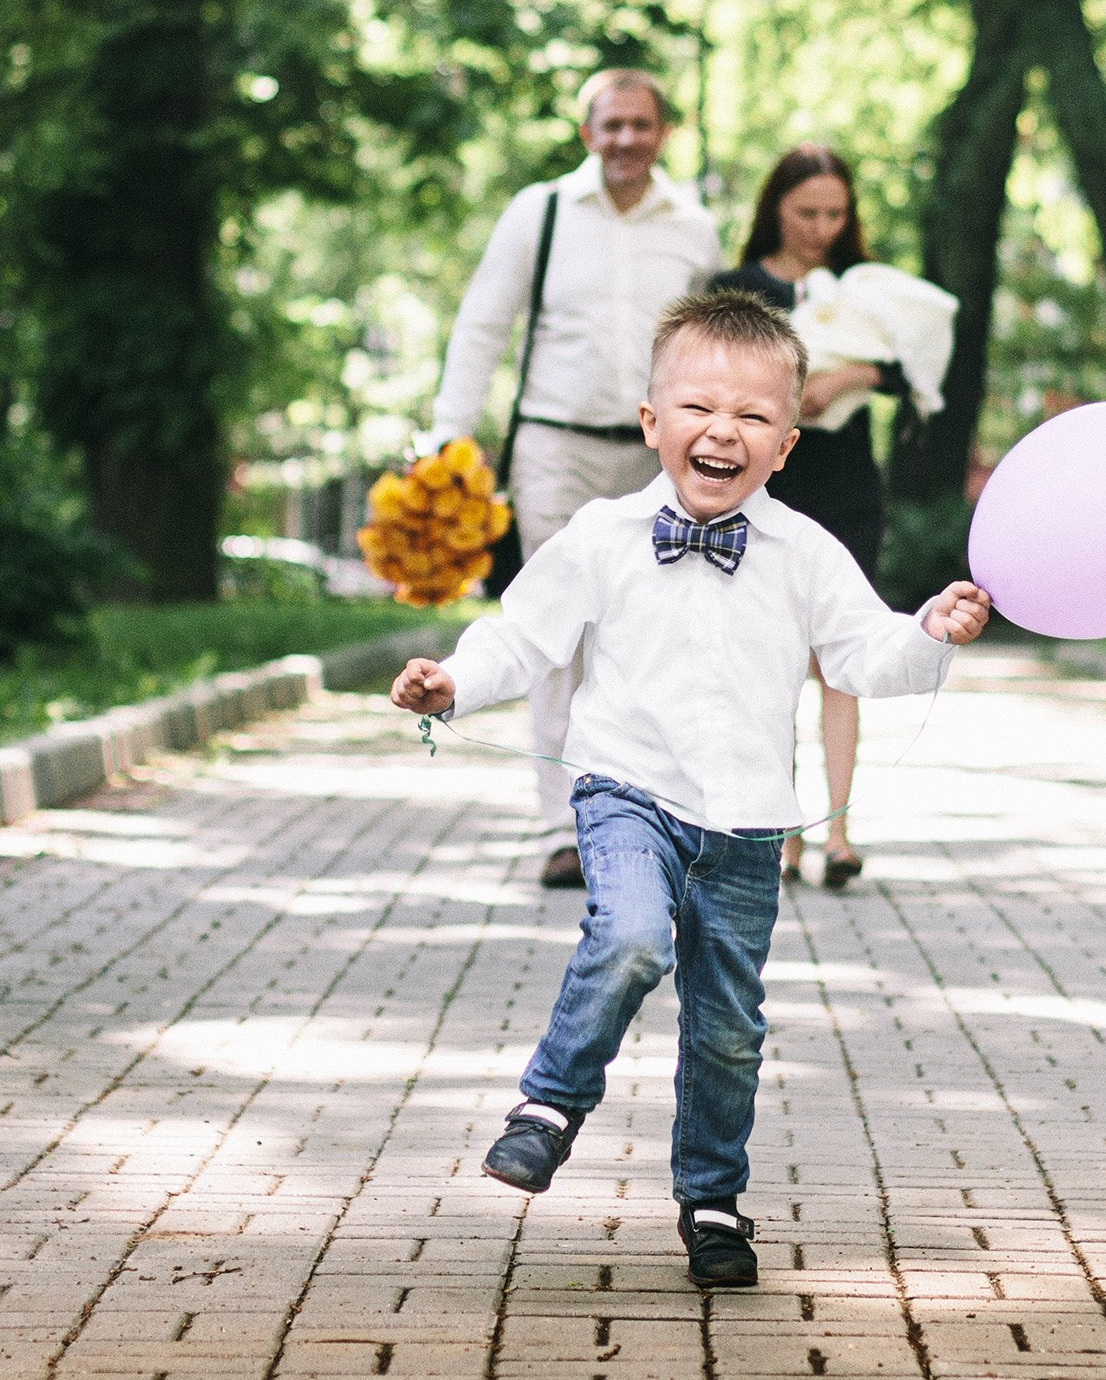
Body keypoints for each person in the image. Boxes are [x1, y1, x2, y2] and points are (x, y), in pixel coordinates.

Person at [390, 291, 991, 1287]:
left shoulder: (803, 553)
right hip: (627, 791)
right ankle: (548, 1103)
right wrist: (453, 684)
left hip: (749, 821)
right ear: (651, 423)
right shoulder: (600, 535)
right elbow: (522, 635)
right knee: (628, 938)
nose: (724, 432)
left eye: (753, 418)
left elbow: (865, 653)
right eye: (700, 409)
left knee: (727, 1028)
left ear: (786, 446)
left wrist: (928, 629)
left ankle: (711, 1201)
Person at [428, 69, 722, 889]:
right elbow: (484, 322)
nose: (626, 138)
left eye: (641, 124)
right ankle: (562, 828)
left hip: (657, 457)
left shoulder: (694, 228)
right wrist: (450, 436)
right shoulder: (542, 211)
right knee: (557, 635)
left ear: (664, 132)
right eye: (611, 124)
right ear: (586, 131)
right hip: (555, 448)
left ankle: (651, 818)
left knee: (650, 634)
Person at [710, 145, 950, 891]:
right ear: (774, 208)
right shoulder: (736, 287)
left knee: (840, 659)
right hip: (764, 484)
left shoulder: (863, 290)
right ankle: (778, 832)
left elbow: (918, 366)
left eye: (835, 214)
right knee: (769, 659)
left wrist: (853, 374)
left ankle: (838, 832)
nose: (820, 226)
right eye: (805, 212)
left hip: (846, 486)